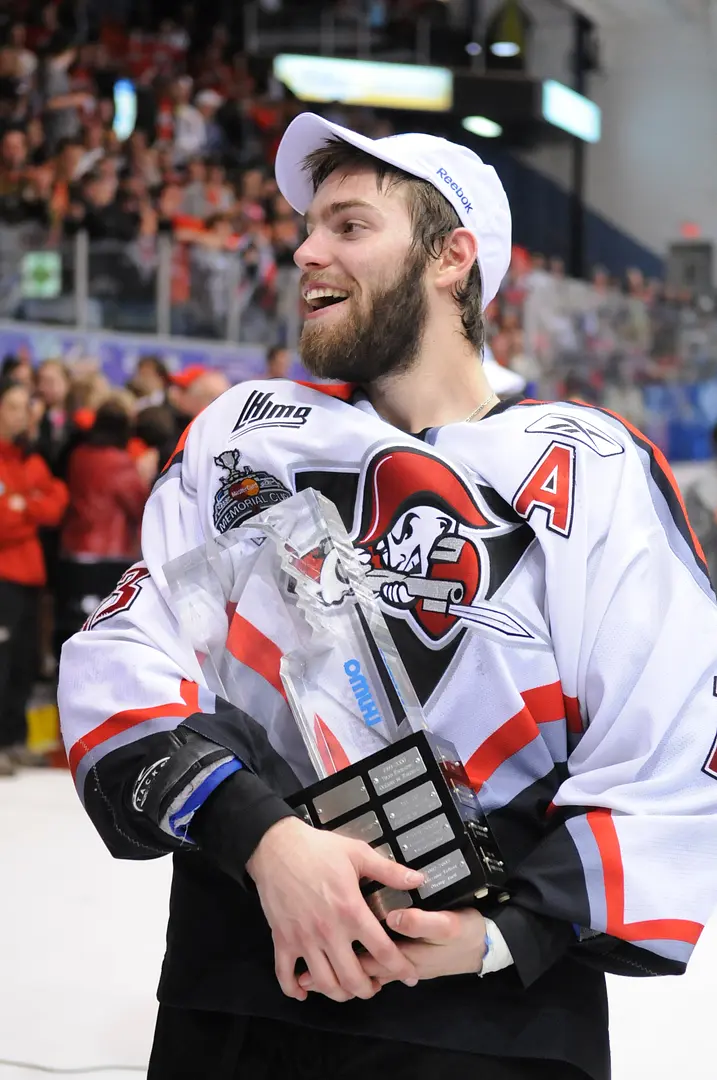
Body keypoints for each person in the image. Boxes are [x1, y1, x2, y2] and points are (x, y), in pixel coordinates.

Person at [58, 114, 717, 1080]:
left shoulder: (589, 466)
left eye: (349, 225)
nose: (305, 251)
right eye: (307, 228)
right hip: (238, 998)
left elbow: (669, 729)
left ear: (452, 258)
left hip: (490, 1028)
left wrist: (502, 934)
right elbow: (121, 654)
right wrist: (264, 838)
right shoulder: (245, 436)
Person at [0, 378, 67, 776]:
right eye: (12, 405)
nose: (21, 415)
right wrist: (29, 507)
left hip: (29, 576)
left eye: (25, 407)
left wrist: (21, 505)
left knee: (24, 662)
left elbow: (56, 503)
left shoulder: (30, 458)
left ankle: (13, 739)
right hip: (4, 576)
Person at [54, 400, 156, 650]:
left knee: (74, 619)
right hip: (110, 552)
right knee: (102, 625)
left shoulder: (78, 455)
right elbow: (139, 504)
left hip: (74, 547)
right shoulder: (119, 462)